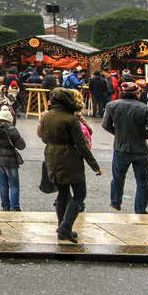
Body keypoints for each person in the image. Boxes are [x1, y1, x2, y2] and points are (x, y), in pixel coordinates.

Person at [40, 88, 102, 243]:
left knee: (62, 193)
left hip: (51, 155)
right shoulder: (71, 119)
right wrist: (94, 165)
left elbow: (43, 137)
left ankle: (62, 228)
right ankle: (66, 227)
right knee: (80, 193)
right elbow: (81, 145)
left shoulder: (46, 116)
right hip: (69, 158)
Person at [102, 81, 148, 214]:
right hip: (140, 149)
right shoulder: (144, 108)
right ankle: (140, 209)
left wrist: (119, 133)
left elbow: (106, 125)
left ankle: (116, 202)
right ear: (137, 93)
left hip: (121, 147)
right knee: (142, 181)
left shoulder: (112, 105)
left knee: (118, 177)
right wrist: (142, 136)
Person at [0, 105, 26, 212]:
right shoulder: (12, 130)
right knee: (14, 185)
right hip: (10, 161)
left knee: (3, 185)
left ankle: (5, 207)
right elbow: (22, 145)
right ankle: (15, 207)